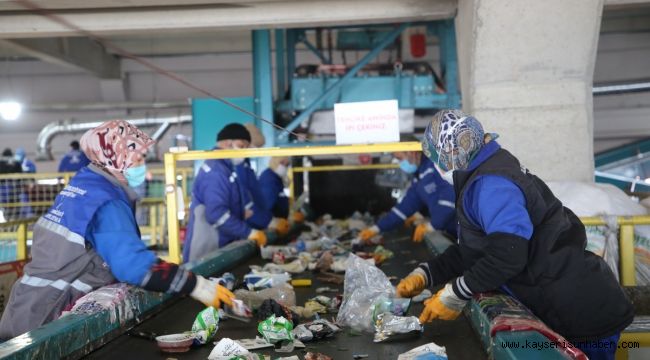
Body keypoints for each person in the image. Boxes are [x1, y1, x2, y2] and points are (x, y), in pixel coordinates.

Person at [396, 110, 633, 360]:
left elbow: (508, 254)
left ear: (453, 153)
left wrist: (456, 293)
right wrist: (426, 273)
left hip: (581, 314)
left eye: (437, 159)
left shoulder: (492, 185)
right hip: (564, 301)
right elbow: (476, 249)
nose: (437, 166)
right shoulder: (484, 174)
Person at [0, 120, 235, 339]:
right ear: (115, 158)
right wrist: (196, 285)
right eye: (138, 159)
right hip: (46, 318)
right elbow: (132, 266)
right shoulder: (105, 201)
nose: (142, 165)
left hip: (26, 306)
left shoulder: (86, 182)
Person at [183, 123, 268, 262]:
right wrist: (248, 232)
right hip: (206, 252)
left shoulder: (226, 169)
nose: (245, 152)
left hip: (219, 247)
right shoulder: (216, 171)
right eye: (242, 146)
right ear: (228, 143)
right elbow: (216, 214)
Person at [359, 144, 456, 243]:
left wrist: (433, 225)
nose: (399, 163)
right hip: (449, 231)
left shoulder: (436, 166)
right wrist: (376, 228)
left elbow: (450, 198)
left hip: (461, 228)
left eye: (400, 158)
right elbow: (404, 207)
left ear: (412, 153)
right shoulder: (419, 178)